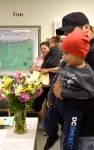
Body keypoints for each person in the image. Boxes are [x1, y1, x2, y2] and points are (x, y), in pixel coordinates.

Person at [46, 12, 94, 150]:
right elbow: (59, 75)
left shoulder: (89, 57)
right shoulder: (72, 53)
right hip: (67, 123)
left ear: (86, 27)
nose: (68, 37)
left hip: (86, 131)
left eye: (70, 32)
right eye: (66, 34)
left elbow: (90, 96)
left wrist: (62, 95)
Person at [31, 41, 62, 128]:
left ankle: (49, 126)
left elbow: (59, 69)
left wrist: (47, 70)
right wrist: (41, 68)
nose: (43, 50)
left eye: (45, 48)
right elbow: (32, 69)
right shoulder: (40, 59)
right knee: (36, 105)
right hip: (41, 86)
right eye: (41, 49)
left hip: (51, 86)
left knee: (50, 107)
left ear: (49, 49)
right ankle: (43, 121)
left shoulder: (55, 57)